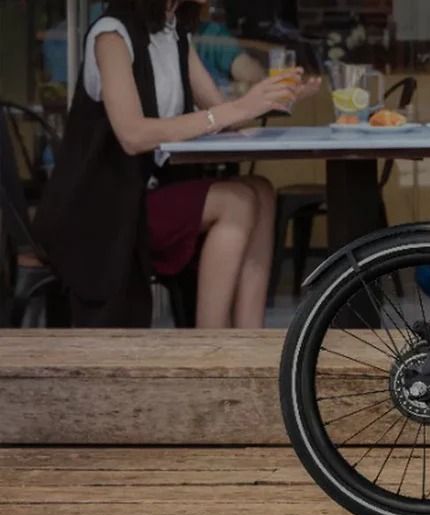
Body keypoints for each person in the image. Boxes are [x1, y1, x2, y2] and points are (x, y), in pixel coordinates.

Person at [34, 0, 319, 328]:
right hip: (106, 208)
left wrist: (277, 98)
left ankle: (249, 339)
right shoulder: (111, 35)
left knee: (261, 191)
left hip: (151, 190)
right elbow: (132, 134)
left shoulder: (175, 33)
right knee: (237, 202)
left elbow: (222, 115)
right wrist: (235, 109)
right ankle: (210, 344)